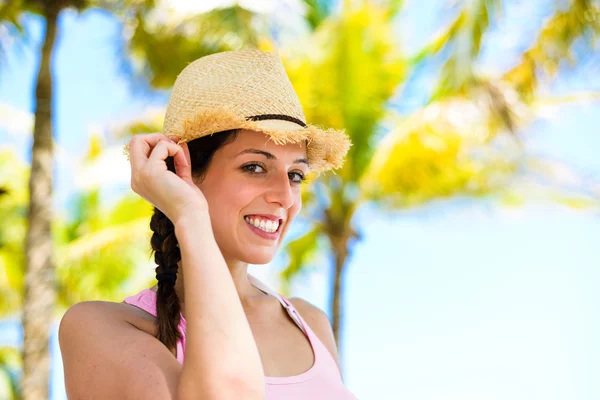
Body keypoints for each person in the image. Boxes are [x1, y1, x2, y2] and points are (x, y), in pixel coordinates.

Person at [58, 49, 356, 399]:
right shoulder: (100, 328)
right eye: (255, 167)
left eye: (295, 175)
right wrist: (189, 215)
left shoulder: (310, 323)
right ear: (184, 172)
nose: (285, 197)